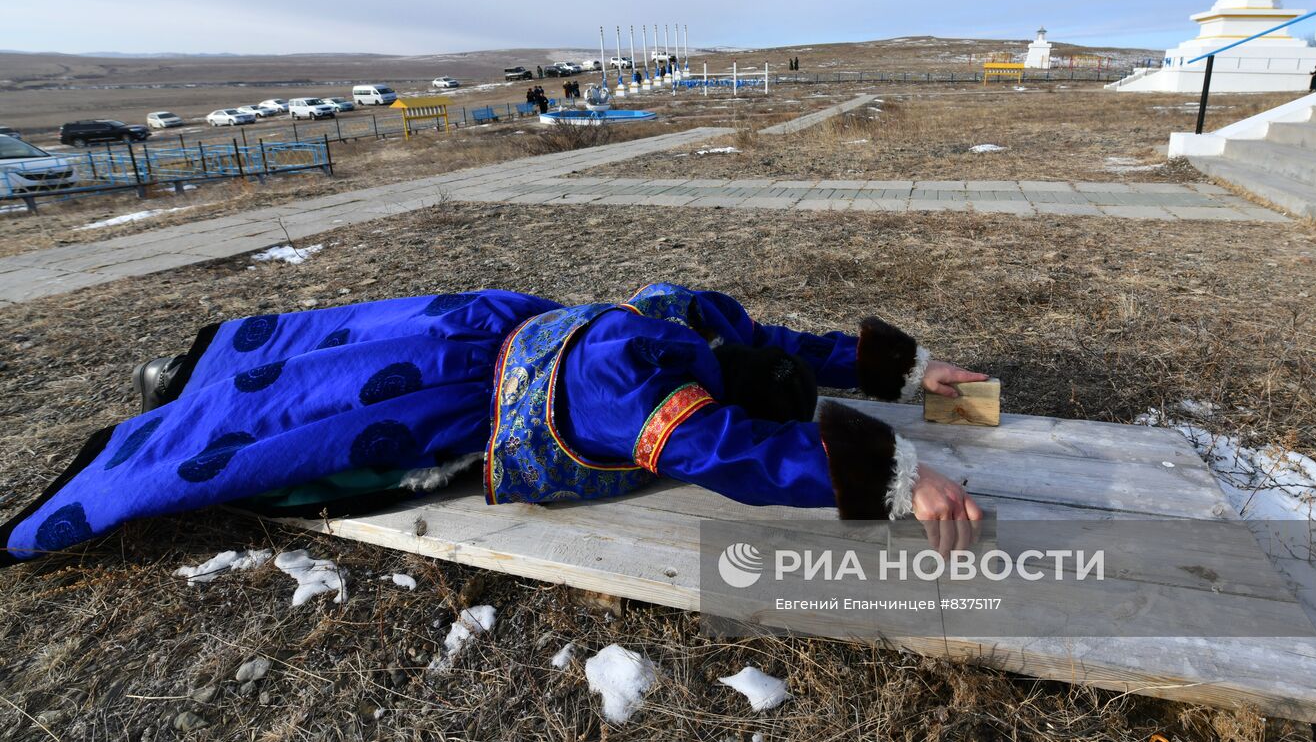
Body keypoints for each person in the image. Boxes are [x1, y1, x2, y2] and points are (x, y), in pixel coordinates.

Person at [0, 284, 986, 565]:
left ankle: (191, 378)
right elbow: (730, 448)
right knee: (308, 423)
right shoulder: (638, 384)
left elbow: (778, 357)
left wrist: (908, 373)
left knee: (337, 359)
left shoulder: (687, 324)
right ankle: (178, 396)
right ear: (723, 379)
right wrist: (898, 479)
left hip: (484, 325)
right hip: (457, 391)